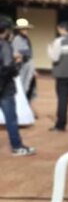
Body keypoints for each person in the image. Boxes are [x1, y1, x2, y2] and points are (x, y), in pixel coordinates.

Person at [0, 19, 35, 156]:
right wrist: (17, 66)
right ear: (6, 31)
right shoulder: (5, 45)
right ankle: (17, 146)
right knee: (11, 118)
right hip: (5, 88)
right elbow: (8, 66)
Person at [12, 18, 37, 102]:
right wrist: (20, 57)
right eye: (23, 28)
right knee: (21, 86)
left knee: (29, 86)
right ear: (19, 30)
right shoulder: (17, 39)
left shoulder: (27, 39)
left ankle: (26, 105)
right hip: (21, 66)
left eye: (26, 28)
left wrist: (33, 69)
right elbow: (15, 53)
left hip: (28, 65)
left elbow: (30, 54)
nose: (26, 30)